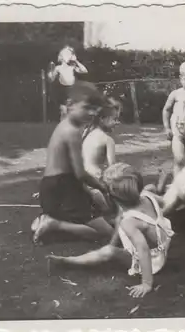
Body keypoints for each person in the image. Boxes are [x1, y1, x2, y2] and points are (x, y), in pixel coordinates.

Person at [47, 163, 174, 298]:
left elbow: (143, 250)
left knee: (109, 251)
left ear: (111, 197)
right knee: (121, 219)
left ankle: (69, 261)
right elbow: (165, 203)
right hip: (164, 241)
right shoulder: (148, 195)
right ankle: (112, 243)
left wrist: (146, 283)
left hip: (154, 260)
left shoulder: (130, 222)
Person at [31, 82, 117, 245]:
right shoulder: (72, 132)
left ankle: (49, 221)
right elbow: (79, 173)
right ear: (70, 105)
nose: (92, 113)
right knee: (108, 234)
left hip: (51, 189)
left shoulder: (64, 125)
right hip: (64, 188)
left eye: (95, 109)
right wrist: (101, 186)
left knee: (98, 214)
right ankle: (54, 224)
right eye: (87, 107)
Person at [82, 97, 122, 217]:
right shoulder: (108, 140)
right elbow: (113, 169)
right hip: (95, 180)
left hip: (82, 178)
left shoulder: (86, 133)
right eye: (114, 119)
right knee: (115, 209)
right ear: (103, 119)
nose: (117, 123)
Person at [48, 46, 88, 121]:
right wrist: (51, 75)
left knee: (72, 111)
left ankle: (70, 127)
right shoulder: (58, 68)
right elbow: (52, 78)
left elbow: (84, 71)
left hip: (72, 90)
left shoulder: (72, 67)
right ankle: (62, 127)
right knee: (64, 111)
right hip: (62, 91)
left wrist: (76, 61)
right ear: (62, 58)